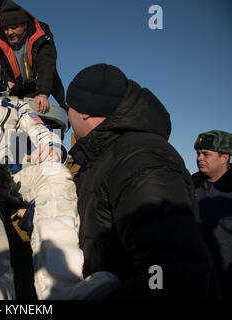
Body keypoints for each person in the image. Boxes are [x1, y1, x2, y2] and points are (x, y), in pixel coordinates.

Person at [0, 43, 118, 300]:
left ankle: (63, 286)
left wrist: (50, 148)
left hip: (8, 177)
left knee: (55, 172)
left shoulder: (17, 105)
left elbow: (43, 134)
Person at [66, 63, 218, 299]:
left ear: (84, 110)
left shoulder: (141, 160)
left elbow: (172, 276)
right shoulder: (102, 157)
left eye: (69, 108)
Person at [0, 0, 66, 114]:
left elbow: (46, 63)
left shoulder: (41, 33)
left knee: (54, 112)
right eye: (6, 28)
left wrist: (43, 92)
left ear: (24, 24)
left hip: (39, 85)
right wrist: (5, 80)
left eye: (14, 27)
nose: (9, 32)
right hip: (14, 89)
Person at [192, 130, 232, 299]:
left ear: (225, 157)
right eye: (198, 153)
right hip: (196, 279)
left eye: (206, 154)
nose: (199, 158)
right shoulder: (188, 186)